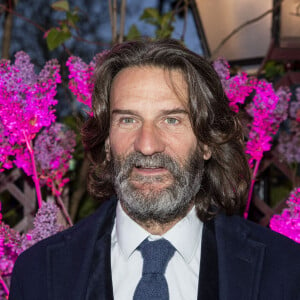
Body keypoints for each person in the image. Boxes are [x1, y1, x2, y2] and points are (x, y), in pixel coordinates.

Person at [9, 39, 300, 300]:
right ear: (108, 141)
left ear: (207, 142)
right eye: (128, 120)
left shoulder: (284, 271)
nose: (147, 145)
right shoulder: (39, 275)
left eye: (171, 120)